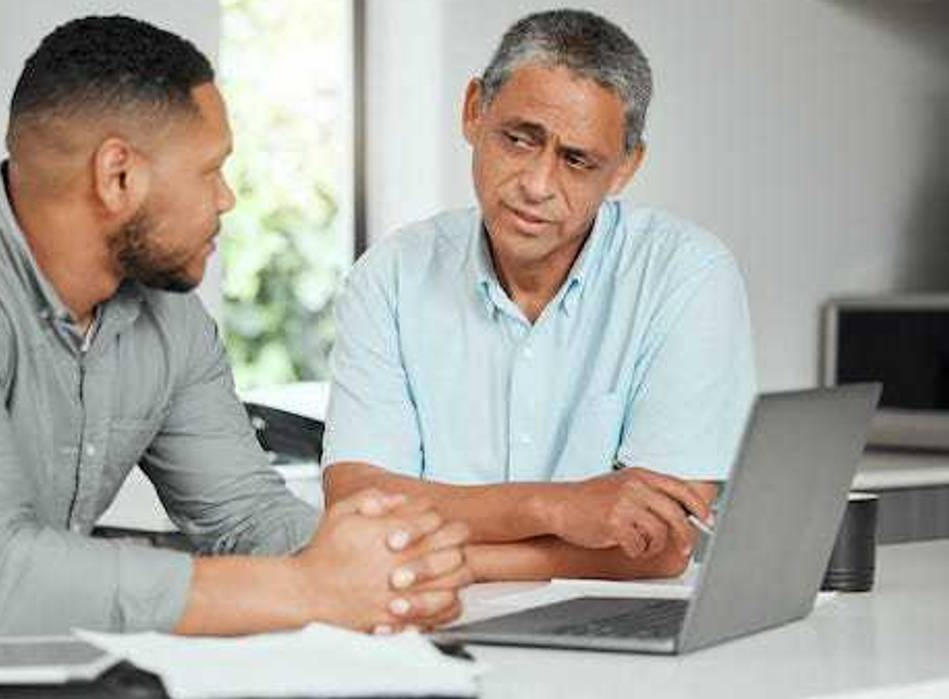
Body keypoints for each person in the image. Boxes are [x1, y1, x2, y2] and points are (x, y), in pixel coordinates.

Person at [0, 15, 470, 646]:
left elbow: (242, 516)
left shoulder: (168, 316)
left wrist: (389, 569)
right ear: (118, 177)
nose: (229, 199)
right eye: (210, 170)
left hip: (10, 672)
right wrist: (308, 586)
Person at [323, 9, 756, 583]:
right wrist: (558, 506)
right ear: (474, 110)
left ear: (626, 167)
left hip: (592, 631)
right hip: (425, 622)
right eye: (519, 139)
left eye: (577, 160)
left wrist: (461, 558)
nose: (536, 184)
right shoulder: (389, 277)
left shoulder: (688, 276)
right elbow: (357, 505)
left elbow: (660, 544)